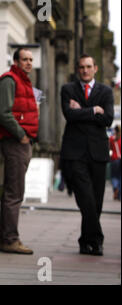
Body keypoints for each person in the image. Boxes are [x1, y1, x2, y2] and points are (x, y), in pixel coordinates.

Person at [60, 54, 114, 256]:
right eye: (81, 67)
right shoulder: (67, 89)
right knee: (86, 198)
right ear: (77, 69)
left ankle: (86, 241)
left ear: (95, 68)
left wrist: (82, 110)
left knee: (96, 200)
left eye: (88, 66)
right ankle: (97, 240)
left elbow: (107, 119)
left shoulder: (106, 91)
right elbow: (69, 115)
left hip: (98, 153)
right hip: (74, 153)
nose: (85, 70)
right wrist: (93, 111)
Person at [0, 48, 39, 255]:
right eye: (24, 59)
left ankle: (6, 238)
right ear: (16, 61)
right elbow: (3, 113)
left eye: (30, 60)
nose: (28, 63)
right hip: (15, 142)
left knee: (15, 191)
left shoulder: (22, 81)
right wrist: (21, 134)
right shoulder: (10, 80)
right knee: (14, 193)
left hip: (20, 142)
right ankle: (9, 239)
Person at [109, 125, 121, 201]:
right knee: (120, 177)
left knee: (114, 176)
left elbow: (110, 148)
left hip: (114, 159)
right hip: (120, 159)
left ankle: (115, 188)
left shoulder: (111, 139)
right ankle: (119, 193)